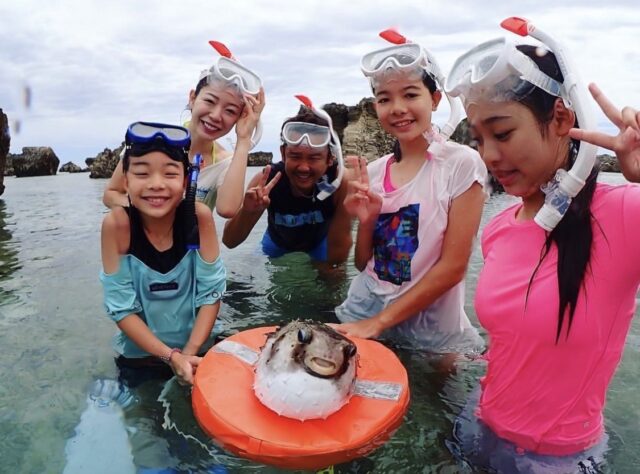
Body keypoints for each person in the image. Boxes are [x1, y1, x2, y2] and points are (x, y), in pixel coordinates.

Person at [443, 17, 640, 472]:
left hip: (560, 460)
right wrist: (471, 359)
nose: (489, 156)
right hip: (479, 425)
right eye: (479, 138)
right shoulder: (499, 226)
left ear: (561, 119)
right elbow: (516, 337)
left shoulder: (622, 215)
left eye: (503, 133)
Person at [333, 31, 487, 352]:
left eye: (410, 95)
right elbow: (363, 264)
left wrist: (379, 323)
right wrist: (368, 220)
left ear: (434, 99)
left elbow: (454, 267)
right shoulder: (374, 173)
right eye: (385, 98)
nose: (397, 108)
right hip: (365, 307)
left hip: (431, 325)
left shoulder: (461, 164)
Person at [100, 122, 226, 387]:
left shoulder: (198, 218)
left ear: (186, 181)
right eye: (142, 173)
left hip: (199, 351)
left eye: (169, 174)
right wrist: (170, 357)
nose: (156, 184)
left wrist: (189, 353)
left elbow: (211, 293)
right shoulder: (117, 226)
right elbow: (121, 308)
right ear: (126, 180)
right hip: (141, 357)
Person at [103, 40, 265, 219]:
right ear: (193, 98)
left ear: (238, 118)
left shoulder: (225, 162)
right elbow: (111, 194)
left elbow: (227, 209)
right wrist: (155, 208)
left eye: (230, 111)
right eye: (210, 101)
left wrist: (243, 140)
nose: (216, 115)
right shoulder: (148, 140)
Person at [222, 96, 353, 265]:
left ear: (329, 159)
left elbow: (339, 253)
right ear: (283, 154)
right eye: (295, 156)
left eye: (314, 158)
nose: (303, 167)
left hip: (319, 243)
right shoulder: (266, 181)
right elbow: (229, 242)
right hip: (276, 243)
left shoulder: (339, 181)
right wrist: (248, 211)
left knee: (331, 278)